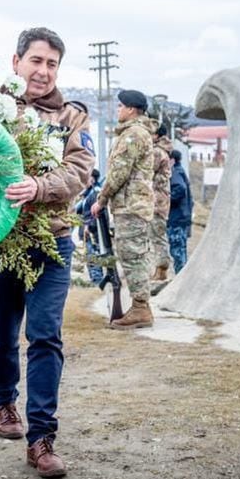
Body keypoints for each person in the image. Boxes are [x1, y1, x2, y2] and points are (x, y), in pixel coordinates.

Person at [0, 26, 93, 479]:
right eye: (36, 61)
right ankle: (5, 401)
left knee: (45, 336)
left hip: (54, 240)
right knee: (1, 332)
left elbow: (80, 170)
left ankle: (41, 439)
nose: (43, 71)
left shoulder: (72, 118)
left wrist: (40, 187)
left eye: (52, 64)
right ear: (16, 62)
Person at [91, 90, 155, 329]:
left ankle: (141, 308)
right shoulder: (136, 133)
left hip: (131, 206)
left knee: (133, 257)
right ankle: (140, 306)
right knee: (132, 255)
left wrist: (102, 198)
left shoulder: (133, 134)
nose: (118, 110)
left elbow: (119, 172)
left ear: (130, 109)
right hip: (131, 205)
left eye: (120, 106)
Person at [148, 121, 174, 285]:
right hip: (158, 199)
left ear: (156, 135)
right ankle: (159, 268)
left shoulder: (157, 152)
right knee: (156, 235)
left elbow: (146, 170)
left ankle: (161, 269)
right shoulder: (161, 151)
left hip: (157, 200)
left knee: (157, 236)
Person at [74, 168, 104, 286]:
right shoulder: (87, 194)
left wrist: (89, 226)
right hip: (86, 229)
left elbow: (95, 213)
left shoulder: (95, 193)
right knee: (89, 254)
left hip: (91, 230)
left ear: (92, 179)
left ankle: (97, 279)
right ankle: (95, 278)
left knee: (93, 254)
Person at [168, 149, 193, 272]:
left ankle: (180, 276)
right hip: (182, 216)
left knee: (177, 251)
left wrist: (167, 199)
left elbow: (180, 189)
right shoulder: (181, 171)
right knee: (181, 249)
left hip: (177, 217)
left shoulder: (175, 172)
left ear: (172, 160)